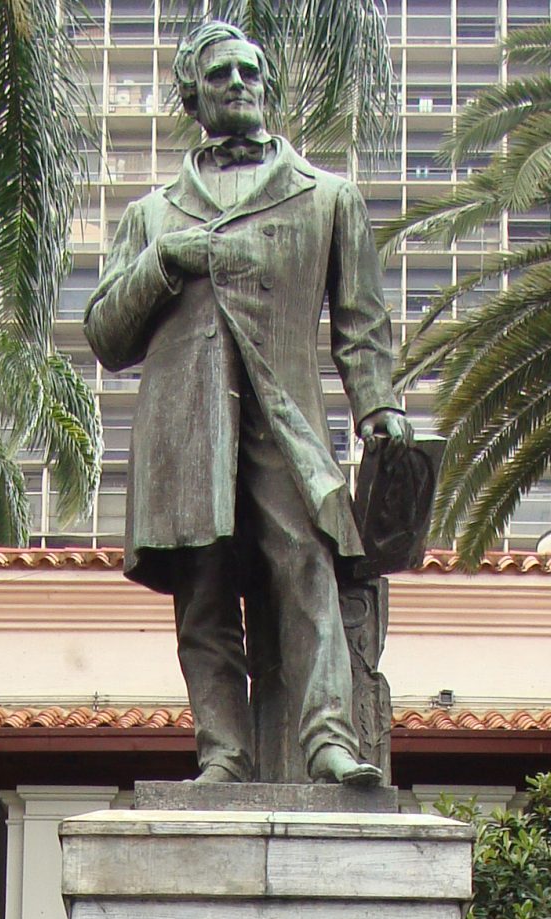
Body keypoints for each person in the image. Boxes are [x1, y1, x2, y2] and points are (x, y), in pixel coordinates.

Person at [82, 20, 412, 785]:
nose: (237, 82)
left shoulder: (327, 197)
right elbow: (106, 336)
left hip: (285, 420)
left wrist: (378, 408)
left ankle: (328, 740)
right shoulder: (151, 215)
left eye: (248, 71)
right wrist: (163, 261)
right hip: (185, 432)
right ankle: (223, 754)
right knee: (202, 595)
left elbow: (362, 324)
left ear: (266, 86)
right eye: (218, 74)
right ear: (191, 97)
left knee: (308, 566)